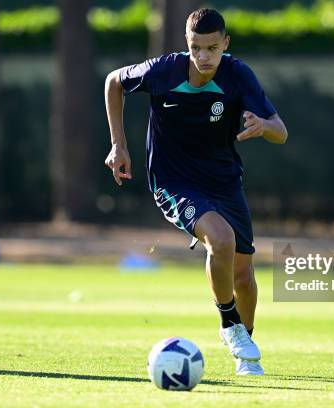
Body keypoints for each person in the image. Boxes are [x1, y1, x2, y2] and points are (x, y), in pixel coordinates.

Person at [104, 8, 287, 376]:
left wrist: (262, 124)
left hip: (224, 180)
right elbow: (113, 82)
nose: (203, 56)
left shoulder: (238, 75)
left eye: (212, 48)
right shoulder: (164, 70)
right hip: (174, 181)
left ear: (225, 44)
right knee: (220, 239)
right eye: (196, 48)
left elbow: (280, 131)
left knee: (244, 278)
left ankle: (243, 344)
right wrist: (118, 145)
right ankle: (229, 325)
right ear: (187, 44)